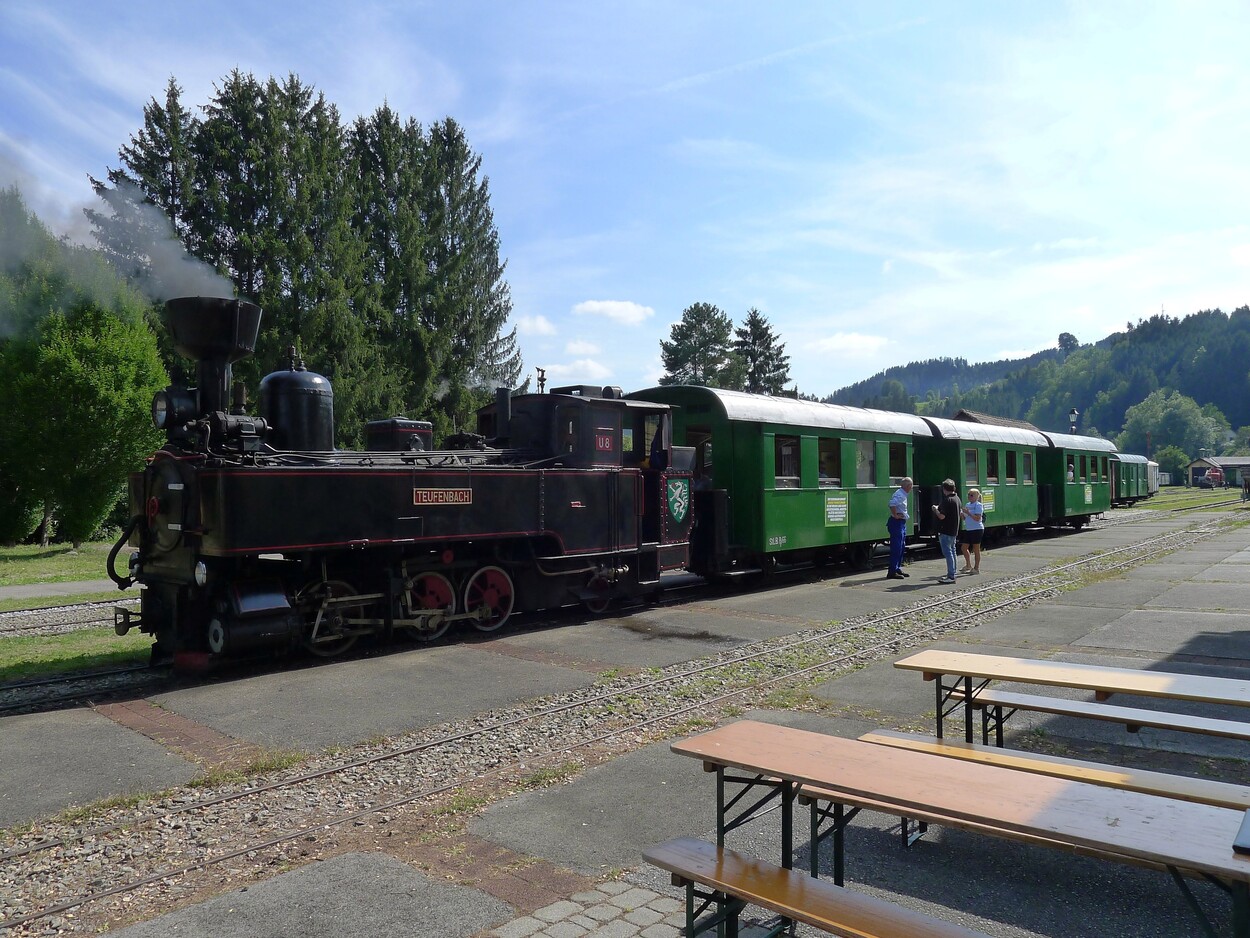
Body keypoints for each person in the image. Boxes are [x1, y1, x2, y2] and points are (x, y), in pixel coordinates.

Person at [931, 479, 961, 584]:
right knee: (953, 552)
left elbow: (942, 516)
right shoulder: (957, 499)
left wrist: (935, 510)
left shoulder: (946, 500)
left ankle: (951, 576)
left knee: (948, 553)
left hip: (945, 530)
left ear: (944, 489)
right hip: (953, 530)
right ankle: (953, 573)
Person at [885, 477, 913, 580]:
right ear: (908, 486)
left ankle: (897, 568)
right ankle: (892, 571)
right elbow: (892, 503)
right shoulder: (900, 495)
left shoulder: (902, 493)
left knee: (901, 547)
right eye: (911, 486)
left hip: (900, 522)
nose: (912, 488)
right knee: (896, 548)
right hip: (897, 523)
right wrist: (895, 515)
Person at [959, 488, 985, 574]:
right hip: (969, 529)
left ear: (977, 496)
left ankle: (976, 568)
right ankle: (968, 565)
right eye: (968, 495)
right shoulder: (967, 504)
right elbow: (964, 518)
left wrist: (968, 513)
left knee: (976, 549)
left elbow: (977, 518)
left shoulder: (978, 505)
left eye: (971, 495)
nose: (969, 496)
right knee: (964, 548)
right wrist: (962, 514)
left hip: (977, 529)